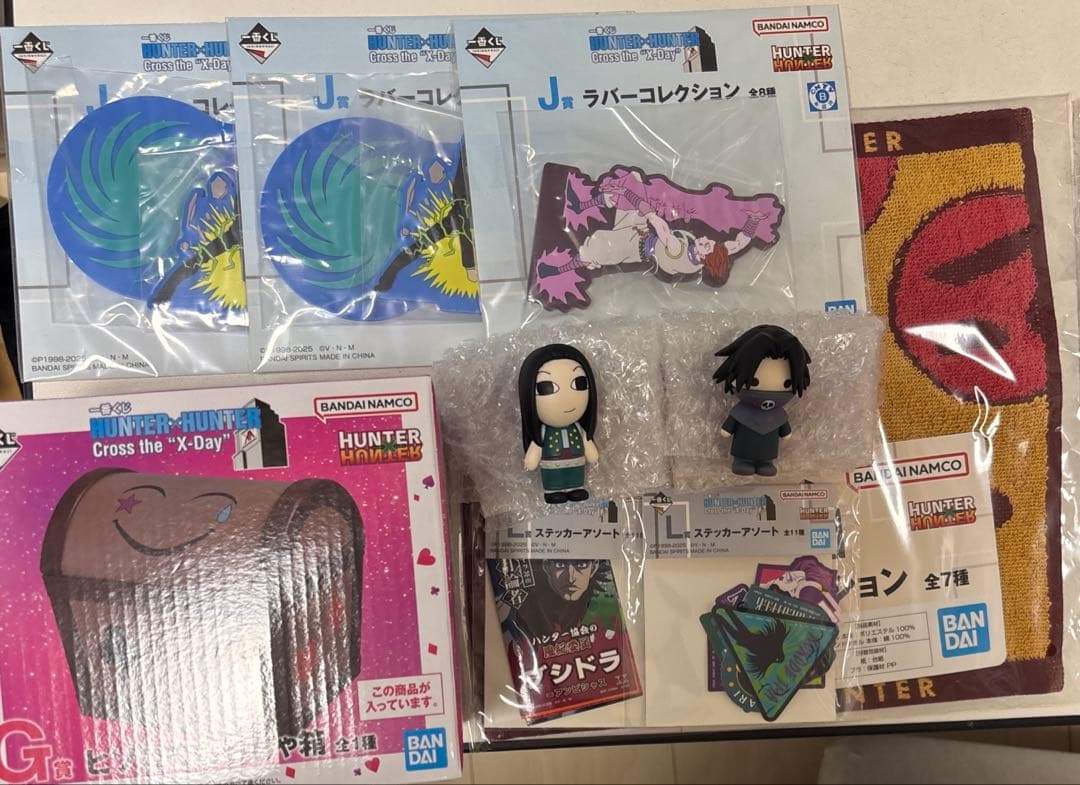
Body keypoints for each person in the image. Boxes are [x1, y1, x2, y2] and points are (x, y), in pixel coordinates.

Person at [537, 170, 764, 285]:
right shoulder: (714, 253)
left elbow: (658, 223)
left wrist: (632, 197)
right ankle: (582, 205)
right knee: (633, 178)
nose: (706, 240)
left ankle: (554, 271)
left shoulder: (678, 251)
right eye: (710, 241)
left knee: (595, 249)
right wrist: (753, 221)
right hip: (640, 231)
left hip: (630, 246)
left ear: (704, 258)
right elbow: (738, 243)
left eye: (706, 245)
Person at [712, 325, 811, 476]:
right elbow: (731, 424)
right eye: (754, 382)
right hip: (743, 450)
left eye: (787, 384)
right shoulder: (742, 411)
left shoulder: (777, 414)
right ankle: (741, 461)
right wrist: (727, 429)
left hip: (768, 452)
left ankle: (766, 463)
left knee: (767, 462)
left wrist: (786, 433)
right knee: (743, 460)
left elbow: (783, 427)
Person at [518, 344, 600, 504]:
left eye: (579, 383)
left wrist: (590, 450)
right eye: (546, 388)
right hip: (551, 465)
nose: (566, 398)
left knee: (576, 475)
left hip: (576, 462)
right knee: (553, 478)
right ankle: (553, 491)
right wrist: (532, 457)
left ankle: (576, 488)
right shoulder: (543, 432)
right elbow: (535, 450)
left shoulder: (578, 428)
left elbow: (588, 446)